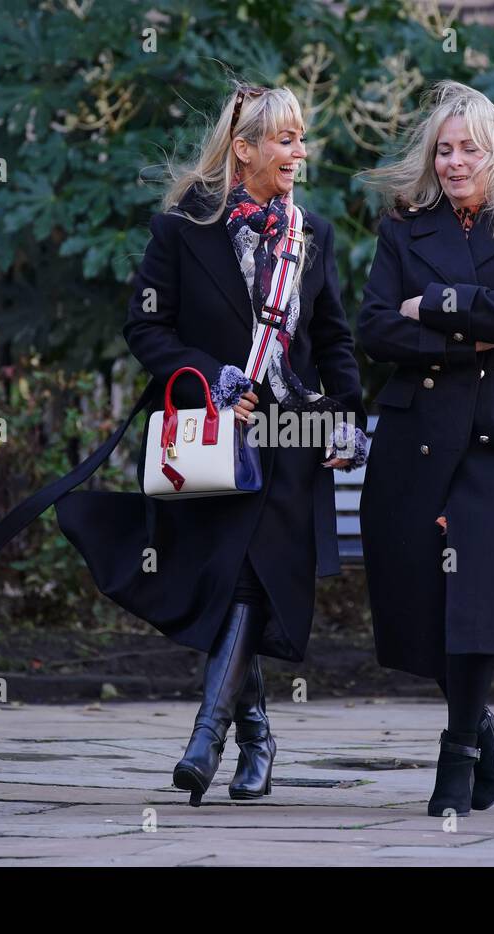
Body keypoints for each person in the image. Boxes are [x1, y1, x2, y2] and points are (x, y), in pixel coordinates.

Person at [123, 83, 368, 802]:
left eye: (301, 137)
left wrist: (348, 415)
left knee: (252, 581)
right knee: (232, 580)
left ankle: (206, 738)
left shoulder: (312, 233)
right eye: (286, 139)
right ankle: (255, 730)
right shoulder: (182, 229)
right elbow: (146, 330)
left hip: (292, 435)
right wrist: (213, 377)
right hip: (216, 434)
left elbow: (333, 339)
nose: (300, 151)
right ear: (245, 150)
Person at [355, 81, 494, 815]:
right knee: (413, 596)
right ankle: (479, 719)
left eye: (468, 148)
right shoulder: (403, 227)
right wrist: (476, 329)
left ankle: (458, 752)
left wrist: (436, 305)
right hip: (416, 437)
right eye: (443, 149)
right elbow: (374, 328)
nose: (453, 162)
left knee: (476, 597)